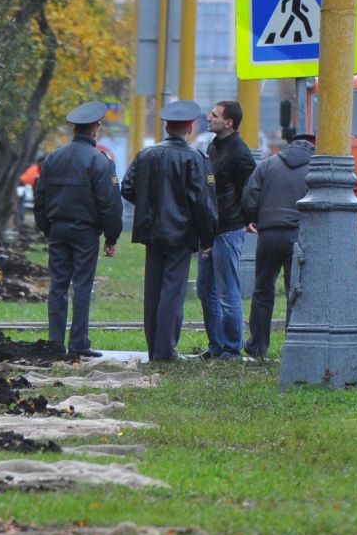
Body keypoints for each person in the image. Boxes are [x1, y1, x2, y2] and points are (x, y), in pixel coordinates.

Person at [121, 101, 218, 363]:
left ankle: (154, 349)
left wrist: (149, 207)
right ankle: (165, 351)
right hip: (181, 233)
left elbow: (127, 188)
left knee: (153, 290)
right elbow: (202, 203)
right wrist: (206, 238)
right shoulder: (196, 159)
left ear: (166, 126)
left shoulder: (146, 155)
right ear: (189, 127)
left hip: (152, 232)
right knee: (172, 292)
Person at [33, 101, 124, 358]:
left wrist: (47, 228)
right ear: (95, 128)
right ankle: (78, 343)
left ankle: (54, 343)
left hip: (58, 230)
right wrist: (111, 237)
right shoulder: (100, 161)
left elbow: (40, 197)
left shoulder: (53, 157)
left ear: (75, 129)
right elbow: (110, 203)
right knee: (82, 286)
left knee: (57, 286)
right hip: (85, 233)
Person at [239, 132, 315, 359]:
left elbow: (249, 195)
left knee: (263, 290)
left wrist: (253, 218)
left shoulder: (268, 163)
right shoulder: (316, 167)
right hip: (299, 236)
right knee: (295, 292)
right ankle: (293, 344)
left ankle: (257, 346)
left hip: (269, 234)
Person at [197, 100, 256, 361]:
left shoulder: (239, 152)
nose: (209, 118)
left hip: (228, 228)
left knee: (227, 291)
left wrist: (248, 218)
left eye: (214, 115)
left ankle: (232, 349)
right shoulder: (214, 147)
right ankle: (217, 344)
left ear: (228, 122)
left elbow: (250, 189)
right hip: (211, 227)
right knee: (205, 289)